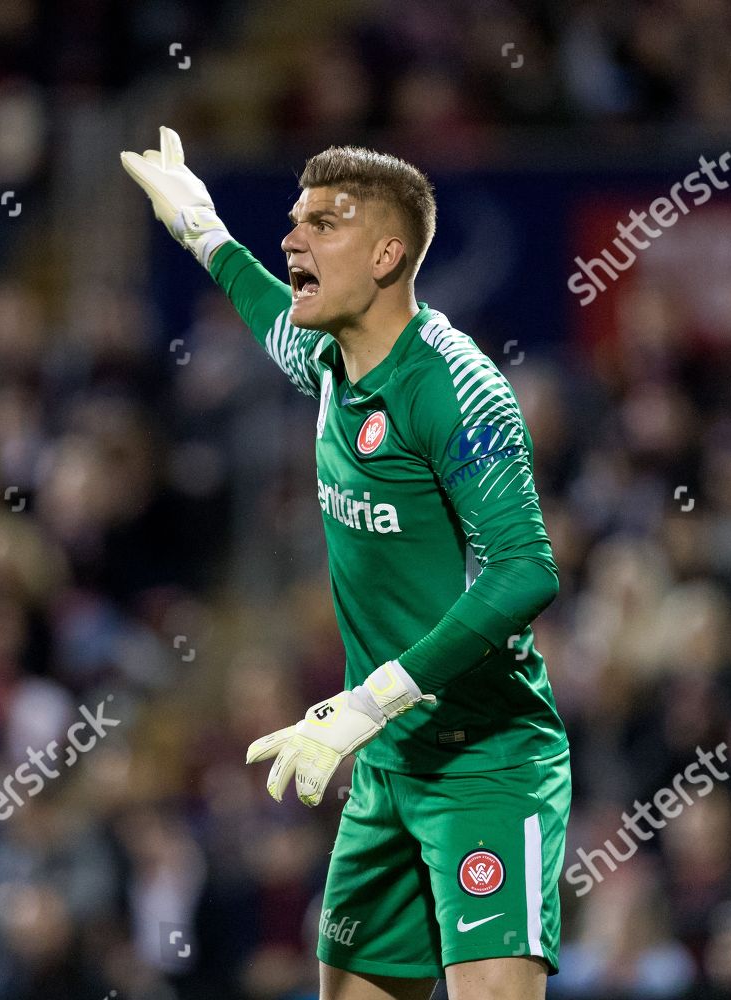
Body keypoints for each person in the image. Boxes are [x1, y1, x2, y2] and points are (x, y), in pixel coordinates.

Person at [121, 127, 569, 1000]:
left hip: (485, 762)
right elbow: (264, 314)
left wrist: (371, 699)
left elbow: (527, 572)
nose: (293, 239)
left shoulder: (455, 386)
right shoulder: (329, 360)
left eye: (324, 223)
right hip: (382, 769)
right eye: (294, 220)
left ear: (388, 253)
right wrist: (203, 230)